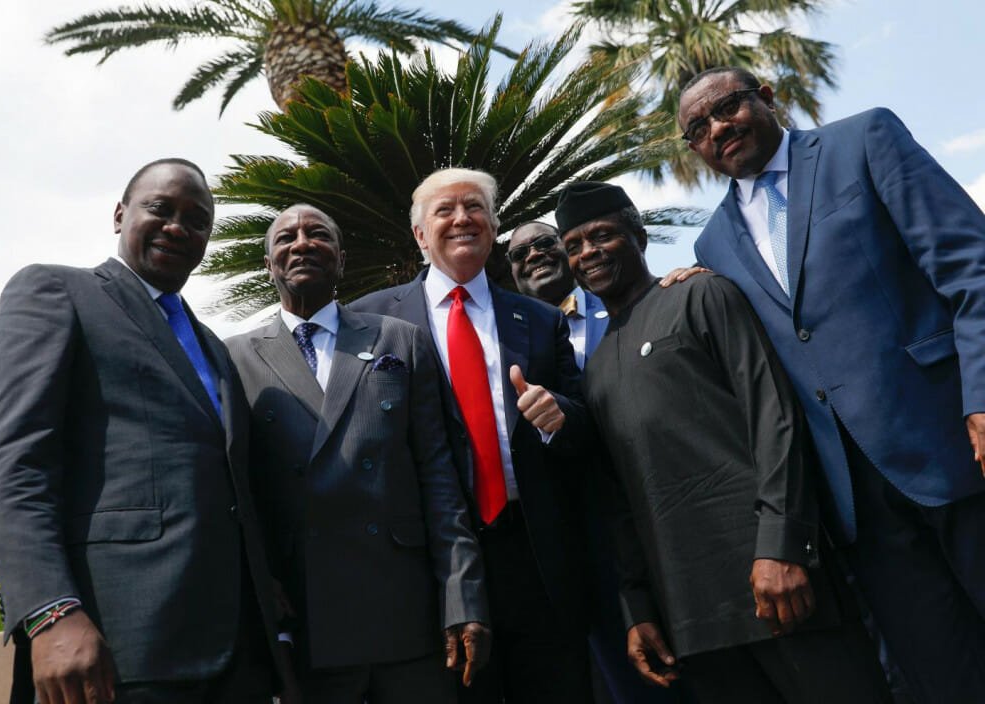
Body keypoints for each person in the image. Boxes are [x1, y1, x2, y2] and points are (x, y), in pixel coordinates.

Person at [678, 66, 985, 702]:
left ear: (765, 96)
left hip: (955, 442)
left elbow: (971, 271)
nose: (717, 128)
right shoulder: (712, 245)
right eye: (698, 129)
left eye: (727, 107)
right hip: (856, 505)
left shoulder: (863, 139)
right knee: (947, 678)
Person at [556, 181, 891, 703]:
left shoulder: (701, 295)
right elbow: (619, 499)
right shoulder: (595, 369)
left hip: (778, 587)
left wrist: (782, 547)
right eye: (573, 246)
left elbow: (774, 418)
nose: (587, 254)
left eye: (601, 235)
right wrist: (638, 608)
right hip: (691, 616)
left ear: (638, 235)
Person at [0, 159, 287, 704]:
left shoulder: (215, 347)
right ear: (120, 214)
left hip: (239, 657)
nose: (177, 227)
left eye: (197, 220)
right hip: (115, 649)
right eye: (160, 209)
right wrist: (50, 612)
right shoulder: (56, 292)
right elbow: (13, 464)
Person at [226, 204, 491, 703]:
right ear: (269, 265)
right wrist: (262, 593)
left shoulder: (399, 339)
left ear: (341, 260)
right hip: (306, 617)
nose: (301, 243)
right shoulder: (235, 357)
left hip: (405, 608)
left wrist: (463, 597)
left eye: (317, 234)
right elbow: (238, 490)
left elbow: (438, 477)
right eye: (285, 238)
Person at [351, 168, 594, 703]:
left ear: (493, 226)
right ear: (420, 234)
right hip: (428, 566)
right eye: (445, 210)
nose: (462, 218)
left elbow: (585, 423)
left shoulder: (536, 319)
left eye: (475, 208)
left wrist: (560, 417)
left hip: (535, 556)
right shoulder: (368, 321)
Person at [507, 222, 668, 704]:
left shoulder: (632, 306)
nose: (533, 255)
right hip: (591, 541)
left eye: (544, 243)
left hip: (663, 511)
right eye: (518, 253)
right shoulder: (513, 343)